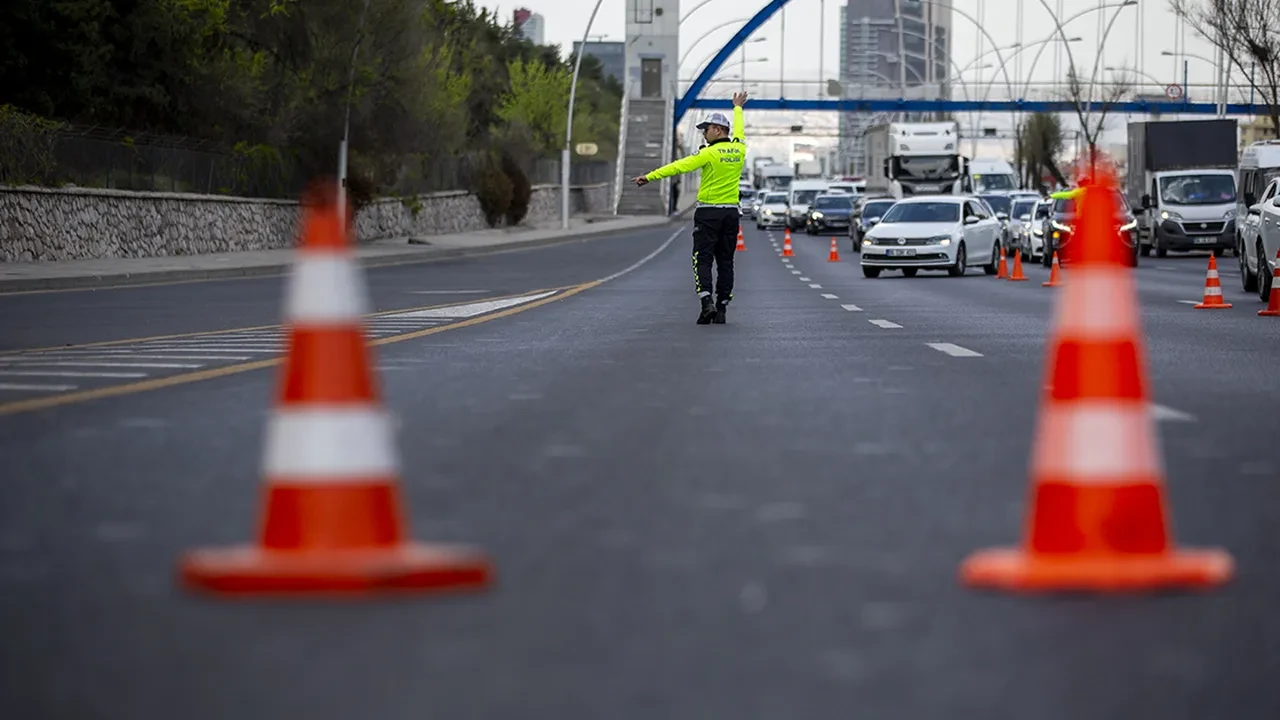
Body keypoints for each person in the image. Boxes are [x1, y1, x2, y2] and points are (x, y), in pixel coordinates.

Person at [633, 92, 748, 324]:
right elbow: (740, 131)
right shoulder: (739, 150)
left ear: (717, 129)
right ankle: (723, 307)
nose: (703, 135)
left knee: (702, 259)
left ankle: (707, 303)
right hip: (731, 214)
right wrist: (737, 108)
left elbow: (678, 167)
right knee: (726, 261)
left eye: (706, 130)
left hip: (708, 213)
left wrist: (650, 176)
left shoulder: (708, 153)